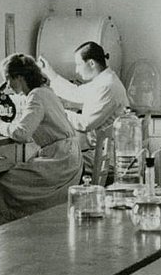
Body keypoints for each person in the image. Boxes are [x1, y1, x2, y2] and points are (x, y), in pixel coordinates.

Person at [0, 53, 82, 226]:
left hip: (60, 160)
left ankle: (2, 231)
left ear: (19, 77)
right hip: (69, 157)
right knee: (8, 180)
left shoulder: (36, 96)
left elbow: (22, 134)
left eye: (8, 79)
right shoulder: (46, 92)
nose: (8, 85)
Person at [44, 40, 129, 183]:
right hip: (104, 153)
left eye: (78, 65)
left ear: (91, 63)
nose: (77, 70)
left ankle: (58, 203)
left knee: (54, 167)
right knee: (56, 163)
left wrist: (57, 110)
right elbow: (76, 93)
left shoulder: (107, 86)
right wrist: (50, 73)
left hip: (106, 158)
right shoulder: (104, 81)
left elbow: (85, 124)